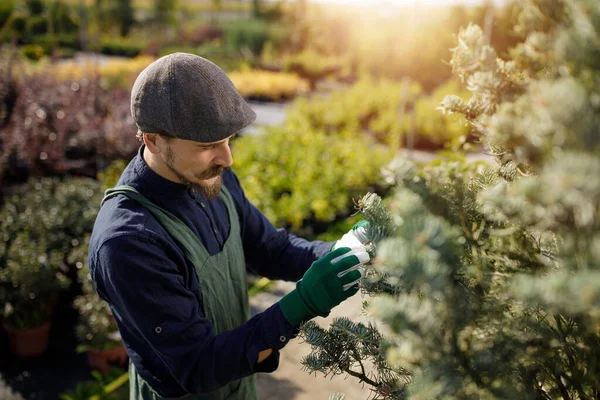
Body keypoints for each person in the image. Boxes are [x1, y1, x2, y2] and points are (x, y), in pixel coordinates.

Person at [88, 52, 371, 400]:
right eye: (207, 146)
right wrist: (302, 303)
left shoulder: (210, 178)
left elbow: (270, 248)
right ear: (153, 140)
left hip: (238, 383)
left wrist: (344, 253)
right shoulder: (129, 241)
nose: (227, 158)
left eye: (228, 139)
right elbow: (197, 367)